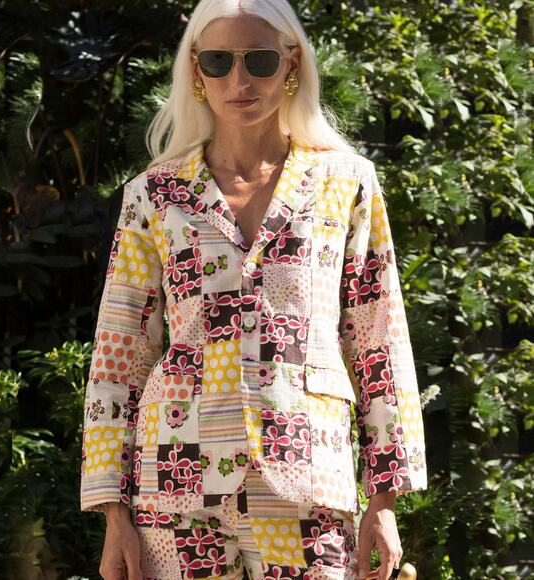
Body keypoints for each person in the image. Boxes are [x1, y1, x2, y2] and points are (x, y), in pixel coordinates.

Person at [79, 1, 428, 579]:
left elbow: (378, 341)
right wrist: (113, 509)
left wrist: (385, 499)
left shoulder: (347, 182)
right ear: (196, 70)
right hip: (175, 479)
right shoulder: (154, 194)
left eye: (259, 60)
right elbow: (120, 353)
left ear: (291, 64)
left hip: (309, 475)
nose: (238, 80)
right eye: (219, 61)